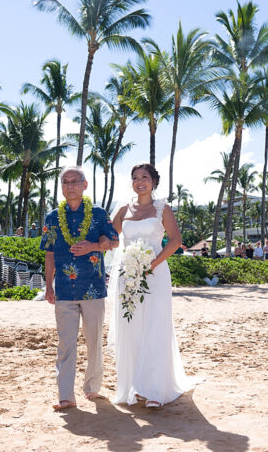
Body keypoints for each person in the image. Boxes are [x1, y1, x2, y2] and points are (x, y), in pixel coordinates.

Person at [108, 163, 200, 408]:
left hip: (155, 274)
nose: (140, 181)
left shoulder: (163, 208)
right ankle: (136, 386)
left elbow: (175, 241)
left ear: (153, 181)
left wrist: (152, 264)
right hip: (127, 275)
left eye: (145, 177)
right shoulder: (123, 209)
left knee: (155, 327)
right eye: (135, 177)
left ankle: (156, 390)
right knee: (132, 328)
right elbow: (109, 238)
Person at [40, 167, 118, 411]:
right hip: (63, 289)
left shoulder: (98, 213)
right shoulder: (52, 217)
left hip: (93, 287)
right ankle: (66, 395)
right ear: (61, 187)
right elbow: (49, 254)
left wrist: (93, 245)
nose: (70, 185)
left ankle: (92, 387)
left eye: (75, 181)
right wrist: (48, 285)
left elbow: (113, 241)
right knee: (65, 343)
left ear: (85, 186)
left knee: (94, 340)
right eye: (65, 182)